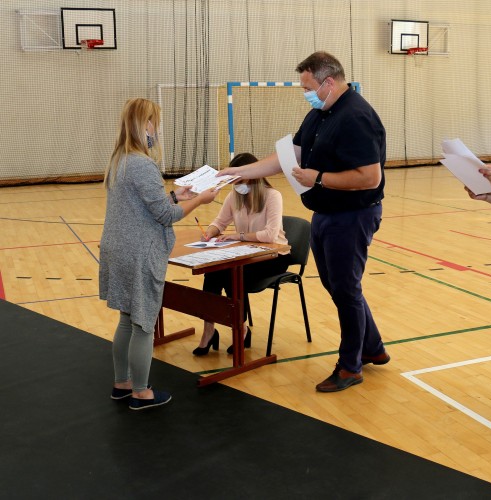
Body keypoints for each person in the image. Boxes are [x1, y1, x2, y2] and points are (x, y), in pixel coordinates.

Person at [217, 52, 389, 392]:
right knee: (339, 286)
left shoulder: (356, 117)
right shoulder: (319, 113)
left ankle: (351, 366)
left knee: (345, 288)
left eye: (308, 87)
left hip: (352, 216)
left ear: (328, 82)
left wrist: (319, 178)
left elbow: (370, 177)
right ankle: (372, 347)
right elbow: (289, 157)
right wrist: (240, 171)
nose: (304, 93)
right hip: (325, 214)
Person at [99, 98, 217, 410]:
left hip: (118, 248)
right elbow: (166, 215)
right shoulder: (143, 163)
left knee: (127, 317)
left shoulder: (120, 160)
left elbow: (147, 202)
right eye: (153, 123)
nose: (156, 129)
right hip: (139, 252)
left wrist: (177, 194)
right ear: (143, 125)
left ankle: (121, 383)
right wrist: (199, 200)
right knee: (144, 324)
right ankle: (141, 392)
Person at [192, 153, 290, 356]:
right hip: (245, 254)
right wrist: (210, 232)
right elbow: (220, 222)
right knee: (212, 270)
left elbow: (271, 234)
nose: (236, 184)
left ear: (253, 175)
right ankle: (209, 330)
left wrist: (239, 236)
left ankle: (241, 330)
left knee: (232, 273)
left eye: (239, 179)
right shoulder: (234, 196)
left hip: (274, 256)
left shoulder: (273, 196)